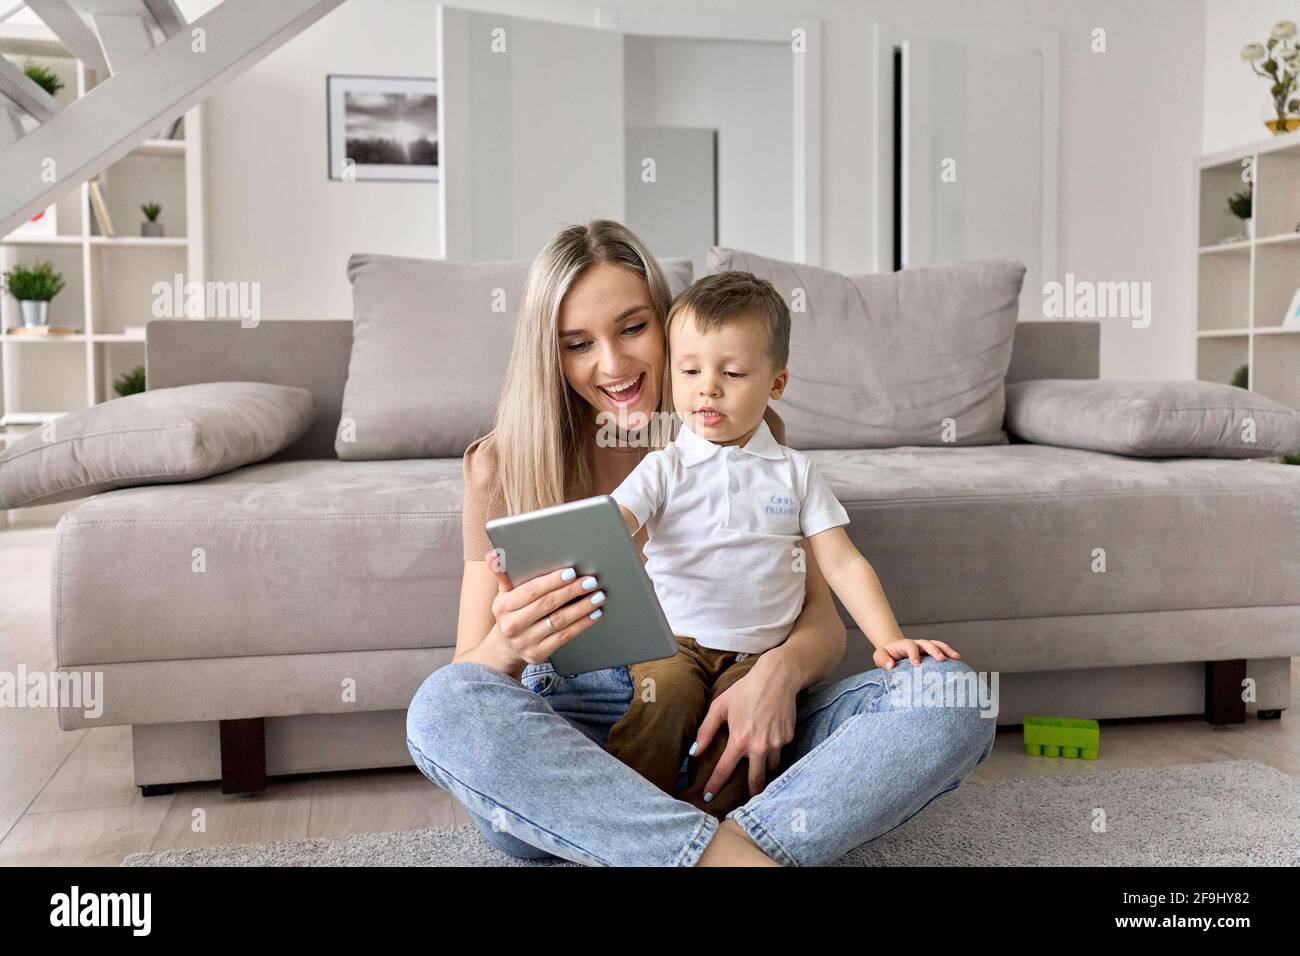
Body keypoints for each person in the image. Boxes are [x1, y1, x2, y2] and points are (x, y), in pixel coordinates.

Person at [404, 220, 996, 866]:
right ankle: (732, 854)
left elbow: (821, 621)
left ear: (670, 322)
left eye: (633, 328)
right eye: (578, 344)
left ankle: (655, 844)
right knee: (439, 707)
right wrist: (508, 645)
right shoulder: (503, 465)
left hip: (748, 717)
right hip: (586, 744)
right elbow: (472, 682)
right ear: (551, 353)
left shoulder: (740, 431)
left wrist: (777, 675)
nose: (613, 364)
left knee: (947, 695)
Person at [604, 271, 963, 819]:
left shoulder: (795, 473)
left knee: (740, 741)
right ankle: (628, 819)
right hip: (672, 643)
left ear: (776, 383)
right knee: (666, 699)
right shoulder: (664, 467)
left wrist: (888, 637)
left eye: (732, 372)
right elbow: (613, 523)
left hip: (759, 655)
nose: (708, 387)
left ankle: (708, 828)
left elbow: (840, 560)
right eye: (691, 370)